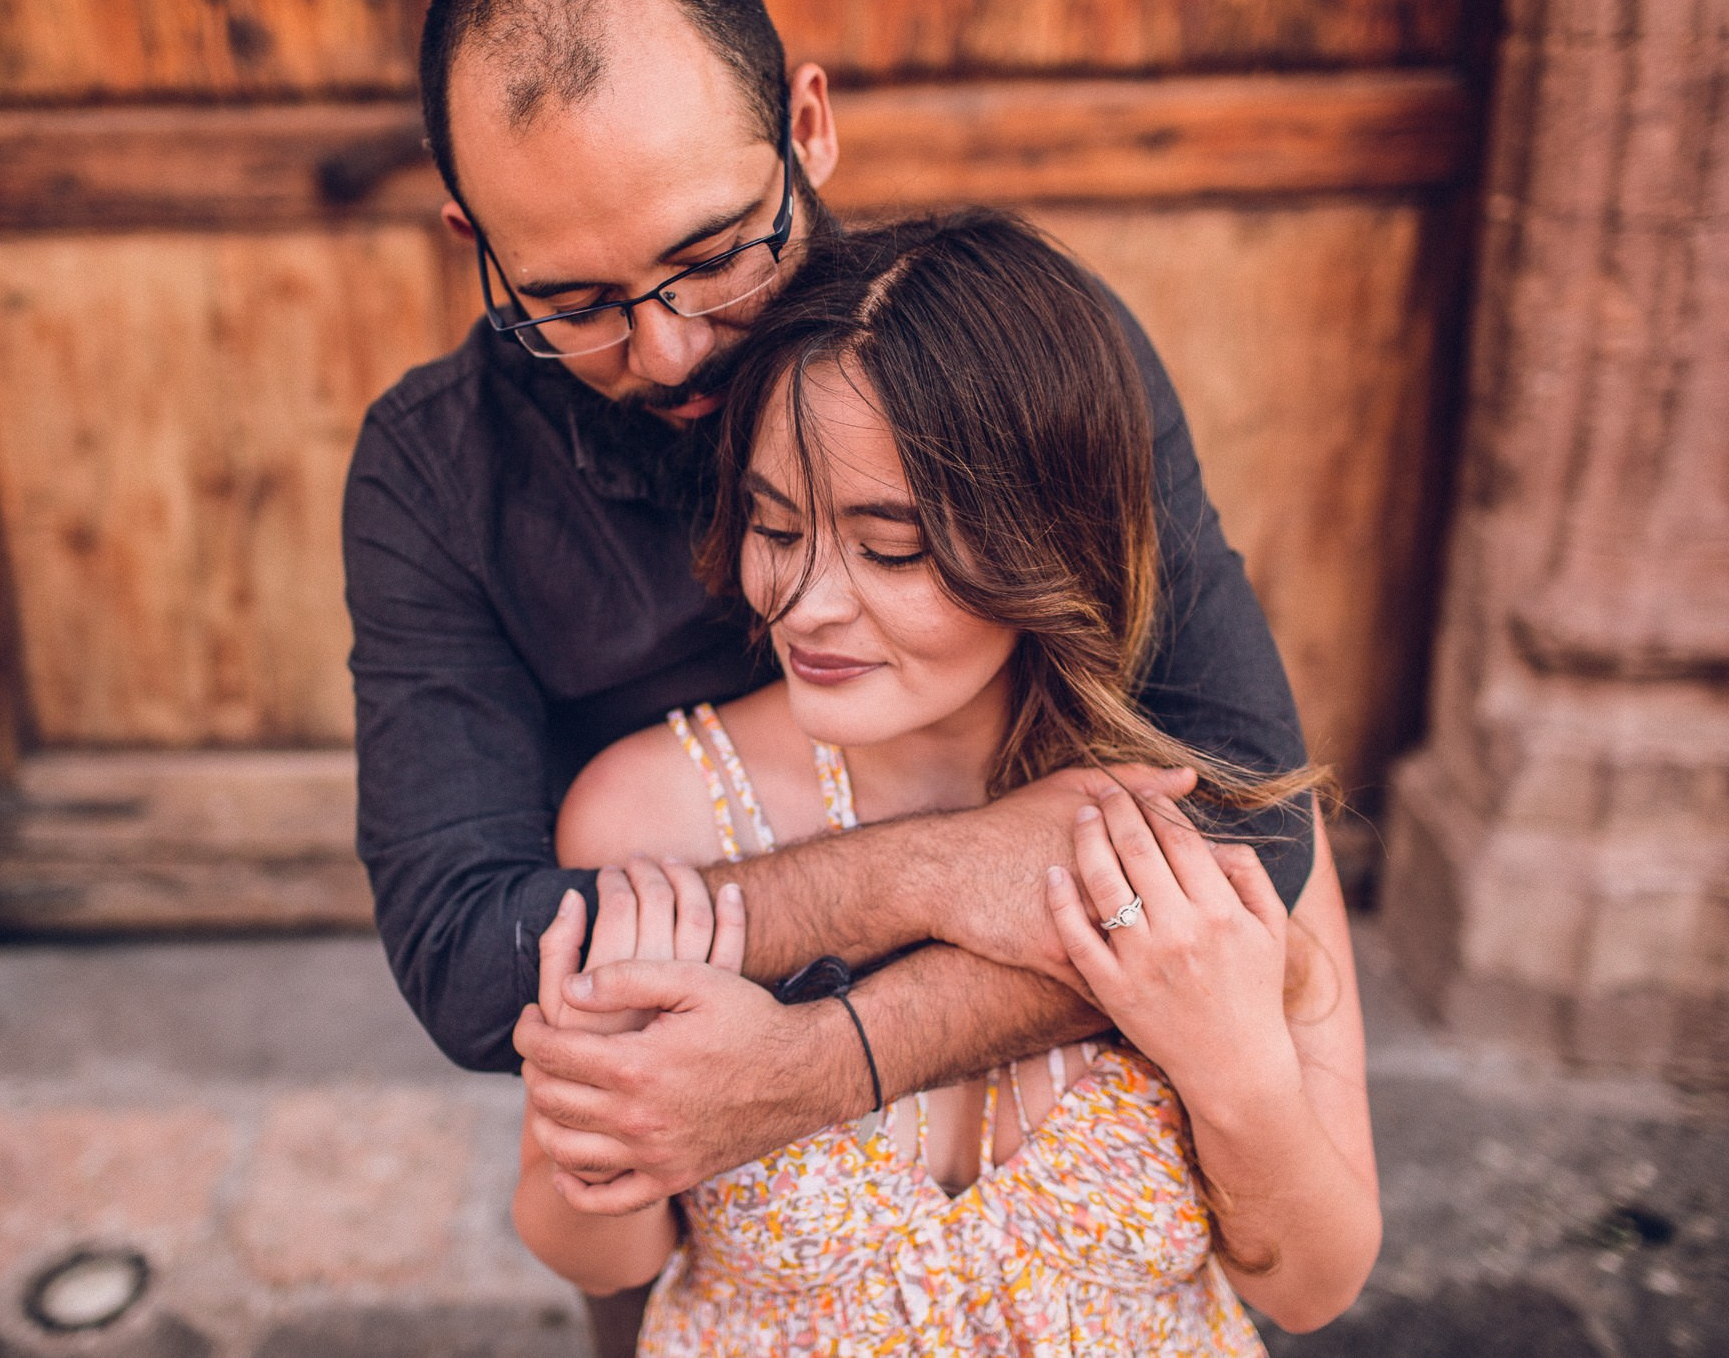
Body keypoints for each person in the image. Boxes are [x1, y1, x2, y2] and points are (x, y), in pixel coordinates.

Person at [346, 0, 1314, 1341]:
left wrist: (817, 1065)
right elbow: (468, 956)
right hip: (708, 1220)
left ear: (809, 125)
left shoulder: (1021, 359)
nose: (673, 348)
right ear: (477, 245)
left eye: (712, 256)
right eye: (573, 303)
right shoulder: (434, 472)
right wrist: (926, 868)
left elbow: (1249, 832)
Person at [511, 211, 1380, 1352]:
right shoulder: (648, 815)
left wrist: (1235, 1069)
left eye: (892, 549)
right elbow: (601, 1252)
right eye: (775, 527)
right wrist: (607, 1134)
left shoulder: (1219, 812)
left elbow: (1310, 1287)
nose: (805, 604)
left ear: (1048, 541)